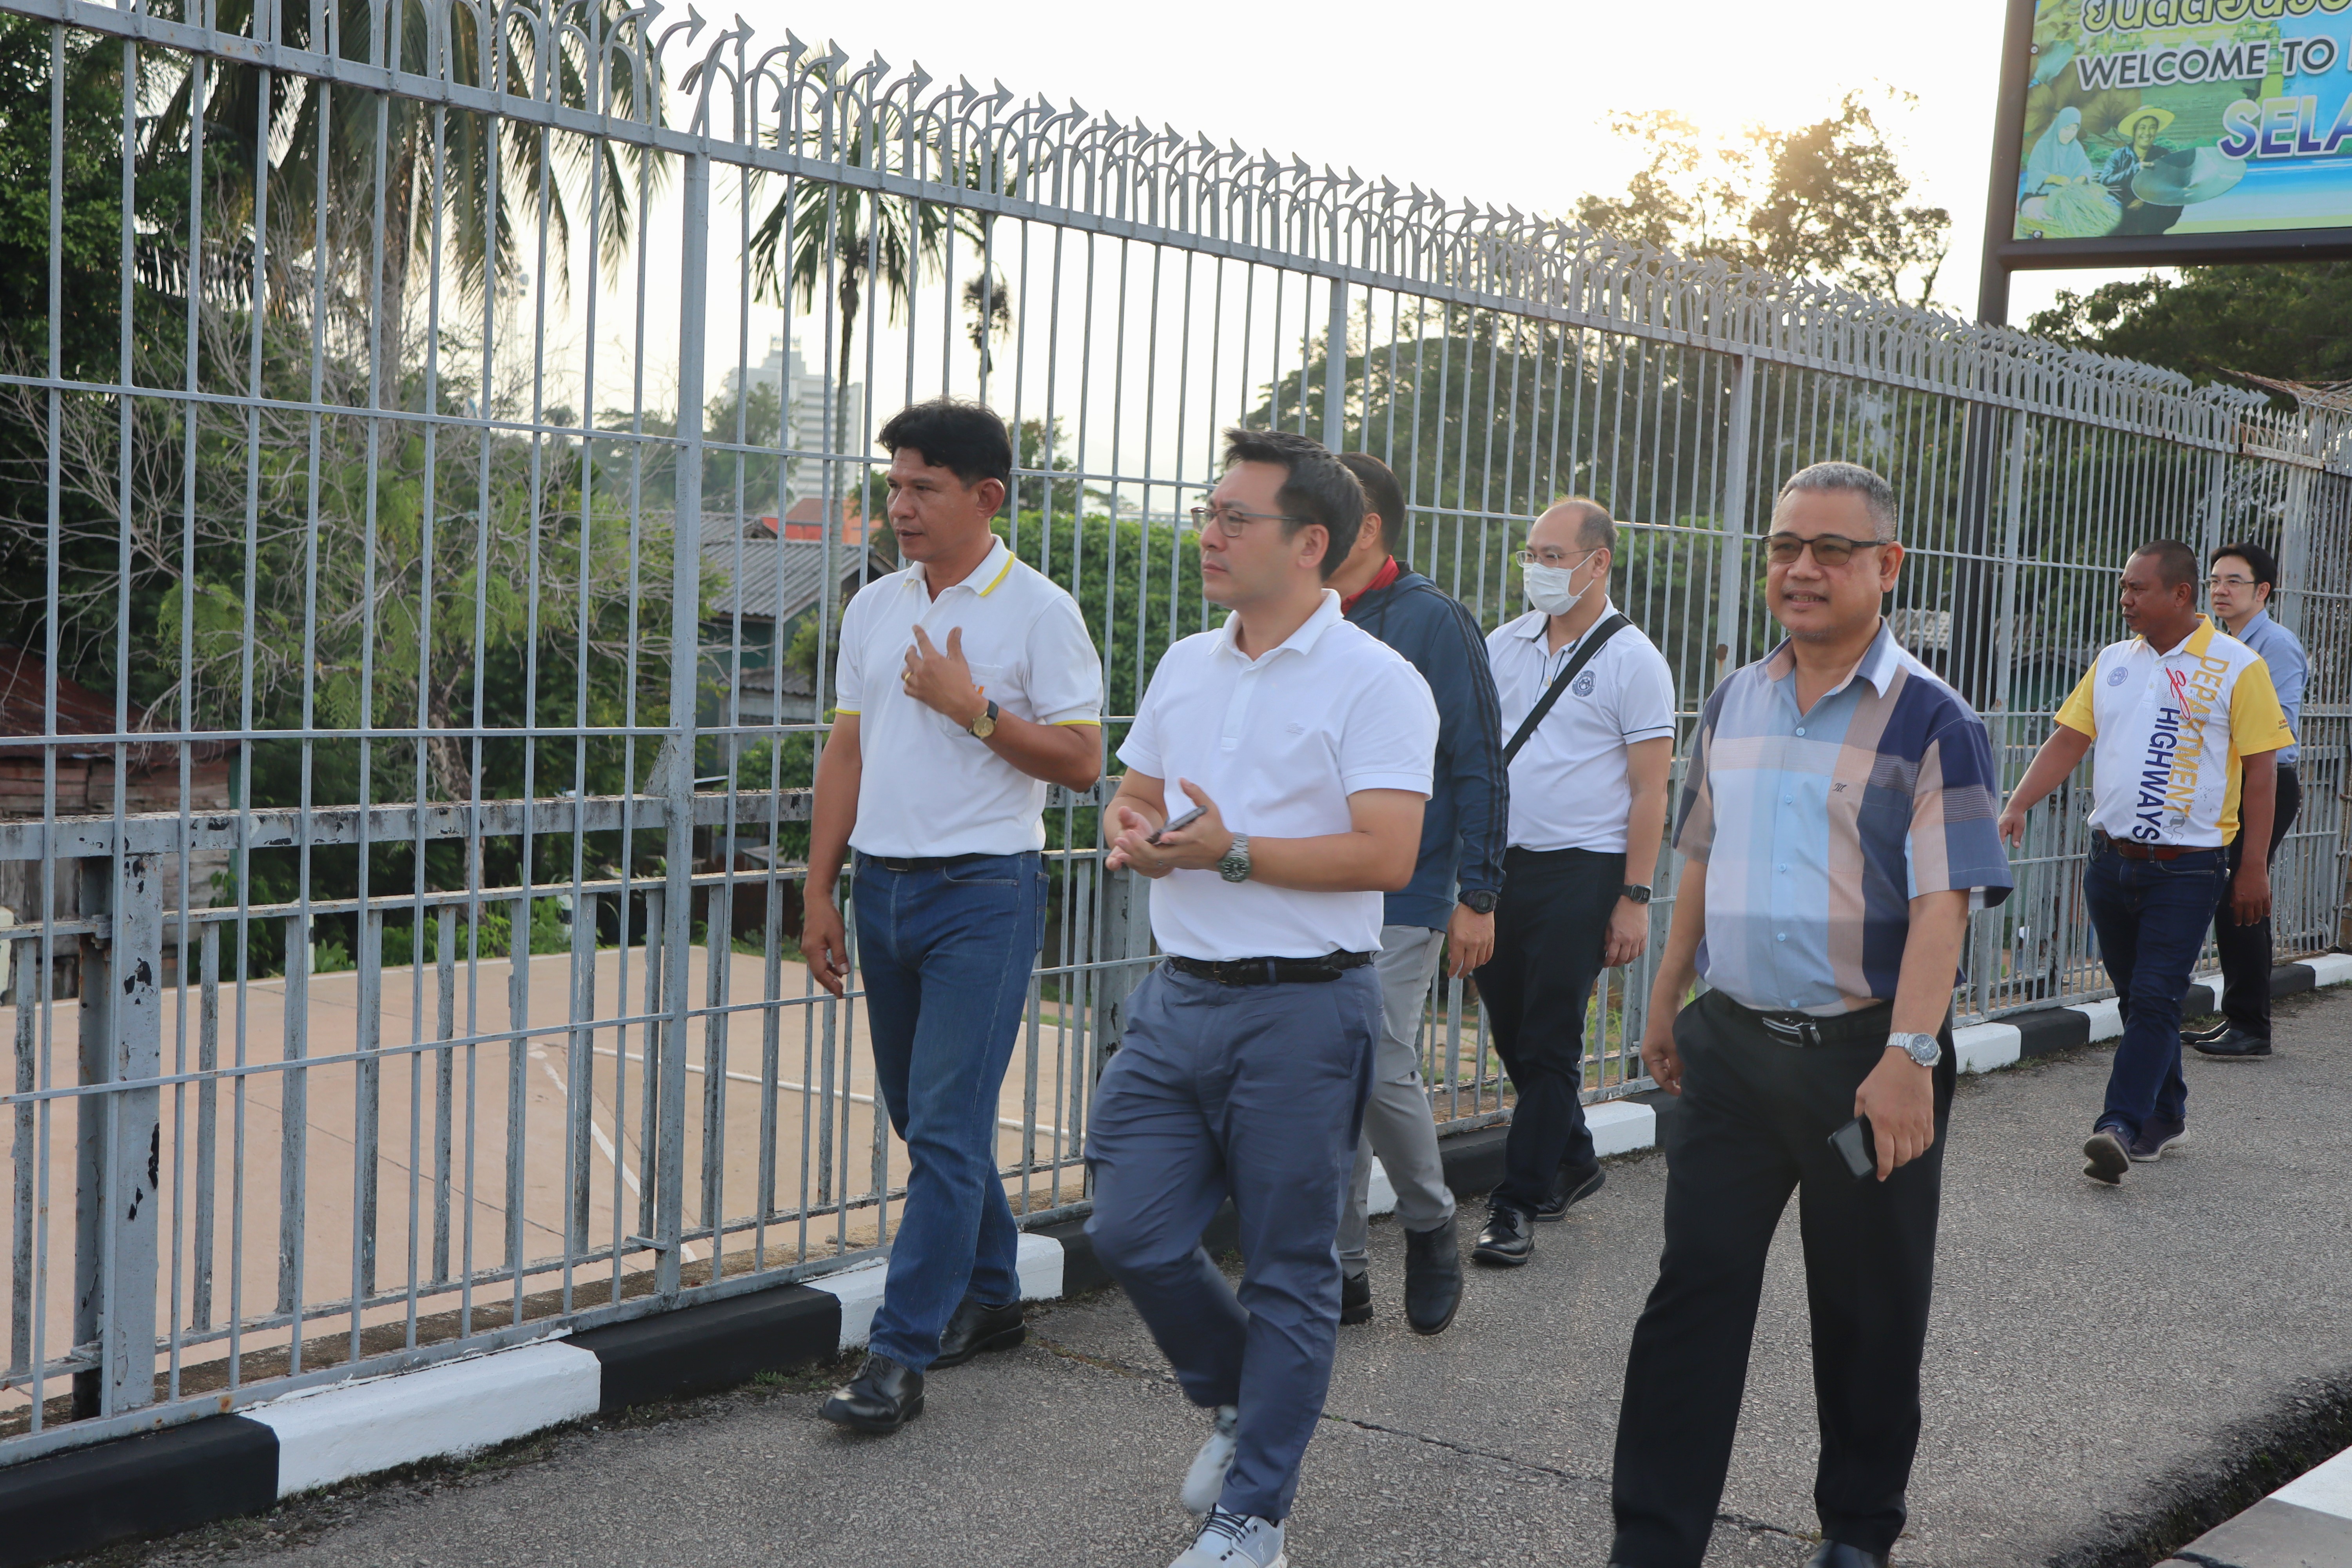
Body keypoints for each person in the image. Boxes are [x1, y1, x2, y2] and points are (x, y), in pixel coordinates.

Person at [1609, 462, 2012, 1568]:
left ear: (1887, 565)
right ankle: (1653, 1542)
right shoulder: (1735, 698)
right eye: (1786, 546)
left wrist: (1910, 1055)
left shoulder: (1934, 720)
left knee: (1867, 1306)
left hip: (1862, 1062)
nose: (1802, 568)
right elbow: (1700, 857)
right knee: (1692, 1295)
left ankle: (1858, 1531)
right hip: (1734, 1053)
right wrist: (1668, 1001)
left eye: (1832, 549)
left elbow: (1944, 905)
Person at [1086, 427, 1437, 1568]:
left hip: (1303, 1009)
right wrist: (1132, 827)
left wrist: (1230, 854)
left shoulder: (1377, 682)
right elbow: (1135, 793)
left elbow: (1386, 854)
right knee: (1129, 1227)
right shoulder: (1187, 663)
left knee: (1290, 1265)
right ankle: (1246, 1398)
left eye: (1235, 518)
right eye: (1208, 512)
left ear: (1310, 543)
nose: (1209, 533)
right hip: (1177, 997)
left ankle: (1254, 1517)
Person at [804, 399, 1105, 1434]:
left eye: (923, 487)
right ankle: (992, 1290)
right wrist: (819, 889)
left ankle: (899, 1354)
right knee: (926, 1117)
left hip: (984, 891)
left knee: (942, 1127)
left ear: (986, 496)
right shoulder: (874, 607)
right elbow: (846, 752)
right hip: (882, 888)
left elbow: (1083, 761)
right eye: (894, 484)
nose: (900, 505)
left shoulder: (1040, 611)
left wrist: (972, 707)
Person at [1998, 540, 2294, 1181]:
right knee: (2139, 999)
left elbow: (2262, 772)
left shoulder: (2238, 667)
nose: (2125, 599)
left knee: (2157, 995)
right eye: (2124, 587)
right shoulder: (2112, 662)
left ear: (2180, 595)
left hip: (2188, 867)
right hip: (2111, 862)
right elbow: (2070, 739)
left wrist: (2252, 866)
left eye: (2138, 589)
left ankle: (2119, 1126)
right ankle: (2168, 1112)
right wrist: (2018, 803)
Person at [1321, 449, 1503, 1336]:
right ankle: (1343, 1273)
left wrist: (1480, 893)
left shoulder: (1433, 620)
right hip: (1318, 881)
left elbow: (1478, 759)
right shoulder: (1304, 615)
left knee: (1380, 1058)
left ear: (1367, 527)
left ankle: (1430, 1224)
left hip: (1407, 884)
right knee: (1335, 1074)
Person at [1468, 497, 1675, 1269]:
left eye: (1554, 556)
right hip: (1502, 868)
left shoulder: (1634, 661)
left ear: (1599, 563)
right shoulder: (1504, 645)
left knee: (1550, 1034)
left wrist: (1635, 896)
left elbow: (1650, 790)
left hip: (1583, 870)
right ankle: (1576, 1155)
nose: (1538, 569)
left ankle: (1516, 1202)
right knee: (1511, 1028)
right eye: (1532, 554)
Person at [2187, 540, 2307, 1060]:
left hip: (2266, 784)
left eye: (2234, 581)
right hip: (2232, 784)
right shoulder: (2226, 643)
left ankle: (2252, 1026)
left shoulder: (2274, 646)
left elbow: (2280, 735)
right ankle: (2241, 1017)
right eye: (2215, 580)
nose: (2221, 590)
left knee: (2243, 895)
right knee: (2231, 899)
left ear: (2263, 592)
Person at [2100, 106, 2182, 235]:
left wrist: (2146, 201)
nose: (2147, 133)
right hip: (2121, 218)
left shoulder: (2163, 155)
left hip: (2153, 220)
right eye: (2143, 128)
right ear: (2135, 131)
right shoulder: (2119, 156)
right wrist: (2135, 169)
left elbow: (2172, 186)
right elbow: (2105, 181)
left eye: (2152, 128)